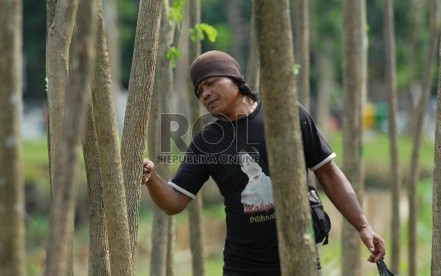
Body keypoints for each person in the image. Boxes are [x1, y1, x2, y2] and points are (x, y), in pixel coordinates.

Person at [142, 50, 385, 275]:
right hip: (243, 266)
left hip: (301, 258)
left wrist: (363, 226)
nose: (204, 94)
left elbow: (328, 173)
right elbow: (174, 202)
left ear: (235, 79)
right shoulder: (208, 141)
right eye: (199, 91)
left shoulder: (286, 114)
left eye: (210, 83)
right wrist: (151, 177)